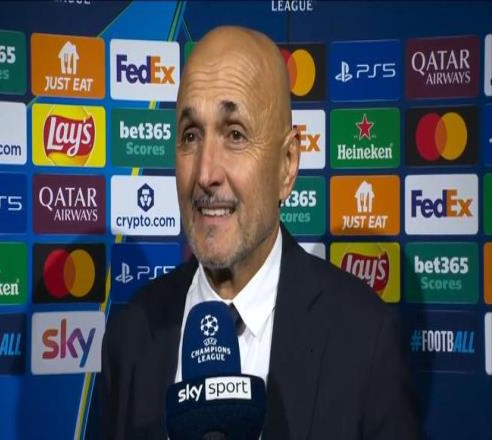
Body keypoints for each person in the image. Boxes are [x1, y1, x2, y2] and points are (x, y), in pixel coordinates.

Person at [102, 26, 421, 440]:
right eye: (191, 135)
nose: (205, 173)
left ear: (287, 165)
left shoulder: (365, 338)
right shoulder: (131, 335)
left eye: (235, 134)